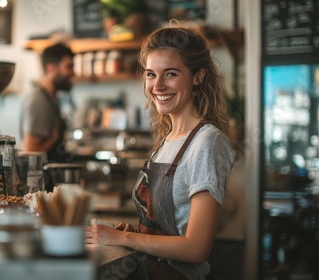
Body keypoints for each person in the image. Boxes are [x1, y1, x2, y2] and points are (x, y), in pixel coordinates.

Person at [85, 26, 236, 280]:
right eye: (151, 74)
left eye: (171, 74)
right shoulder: (167, 140)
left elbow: (196, 248)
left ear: (197, 77)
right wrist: (135, 233)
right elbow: (169, 229)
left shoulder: (207, 142)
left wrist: (123, 237)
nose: (158, 85)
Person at [20, 42, 75, 163]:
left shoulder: (51, 98)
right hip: (44, 179)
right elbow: (30, 151)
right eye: (69, 67)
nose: (73, 72)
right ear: (51, 68)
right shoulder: (39, 100)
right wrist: (53, 139)